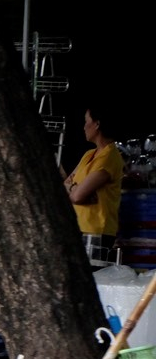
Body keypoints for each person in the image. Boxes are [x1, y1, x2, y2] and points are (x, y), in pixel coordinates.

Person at [63, 105, 124, 259]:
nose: (84, 127)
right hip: (79, 228)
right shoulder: (89, 154)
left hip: (96, 232)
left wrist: (75, 190)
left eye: (86, 122)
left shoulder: (109, 157)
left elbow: (77, 197)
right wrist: (77, 189)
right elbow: (66, 187)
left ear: (97, 124)